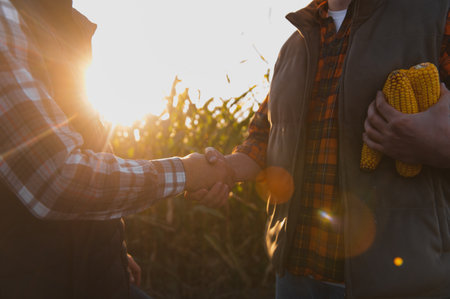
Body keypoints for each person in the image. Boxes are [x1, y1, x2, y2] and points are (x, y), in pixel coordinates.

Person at [189, 0, 450, 297]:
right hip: (295, 277)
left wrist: (436, 143)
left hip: (403, 282)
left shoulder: (434, 16)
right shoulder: (295, 43)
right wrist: (226, 168)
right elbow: (266, 136)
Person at [0, 0, 233, 298]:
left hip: (93, 274)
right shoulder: (7, 16)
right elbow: (58, 177)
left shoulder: (65, 25)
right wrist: (187, 172)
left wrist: (111, 250)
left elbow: (92, 155)